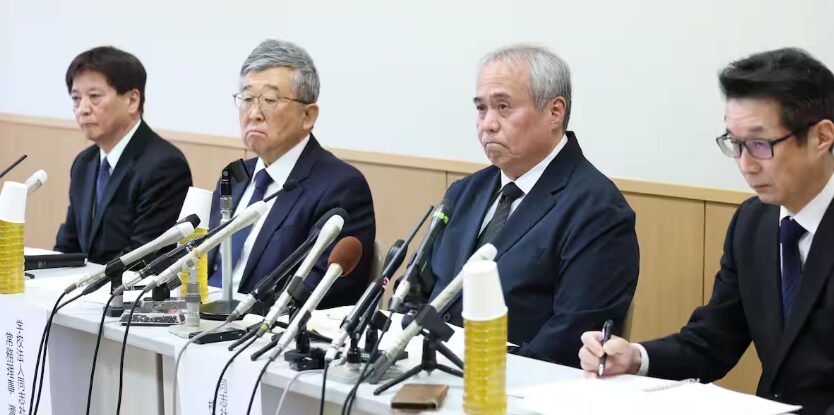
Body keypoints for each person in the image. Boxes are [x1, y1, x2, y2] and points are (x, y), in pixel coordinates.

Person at [578, 48, 834, 414]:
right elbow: (713, 341)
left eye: (760, 144)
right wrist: (635, 357)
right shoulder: (752, 223)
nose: (745, 165)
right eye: (735, 144)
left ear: (822, 136)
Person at [427, 45, 639, 366]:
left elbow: (571, 337)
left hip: (513, 382)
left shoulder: (598, 210)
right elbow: (416, 290)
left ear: (554, 112)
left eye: (503, 107)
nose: (488, 124)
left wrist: (480, 373)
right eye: (481, 109)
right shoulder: (463, 193)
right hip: (430, 370)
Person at [206, 39, 376, 308]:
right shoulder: (235, 176)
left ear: (308, 116)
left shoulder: (341, 187)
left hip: (259, 328)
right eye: (247, 99)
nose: (254, 113)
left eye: (270, 100)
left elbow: (319, 293)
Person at [55, 46, 192, 264]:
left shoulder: (165, 166)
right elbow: (68, 245)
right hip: (87, 283)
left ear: (132, 100)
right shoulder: (84, 163)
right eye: (76, 98)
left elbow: (143, 257)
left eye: (94, 97)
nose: (83, 109)